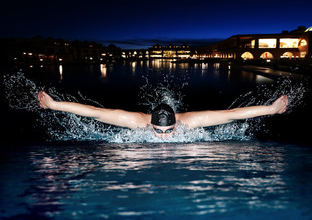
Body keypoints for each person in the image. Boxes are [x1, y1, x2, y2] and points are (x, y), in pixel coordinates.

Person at [38, 91, 288, 138]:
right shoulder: (136, 122)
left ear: (177, 122)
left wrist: (271, 109)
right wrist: (54, 105)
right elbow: (94, 112)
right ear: (150, 123)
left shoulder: (189, 122)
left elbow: (232, 114)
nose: (165, 137)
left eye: (170, 131)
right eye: (159, 131)